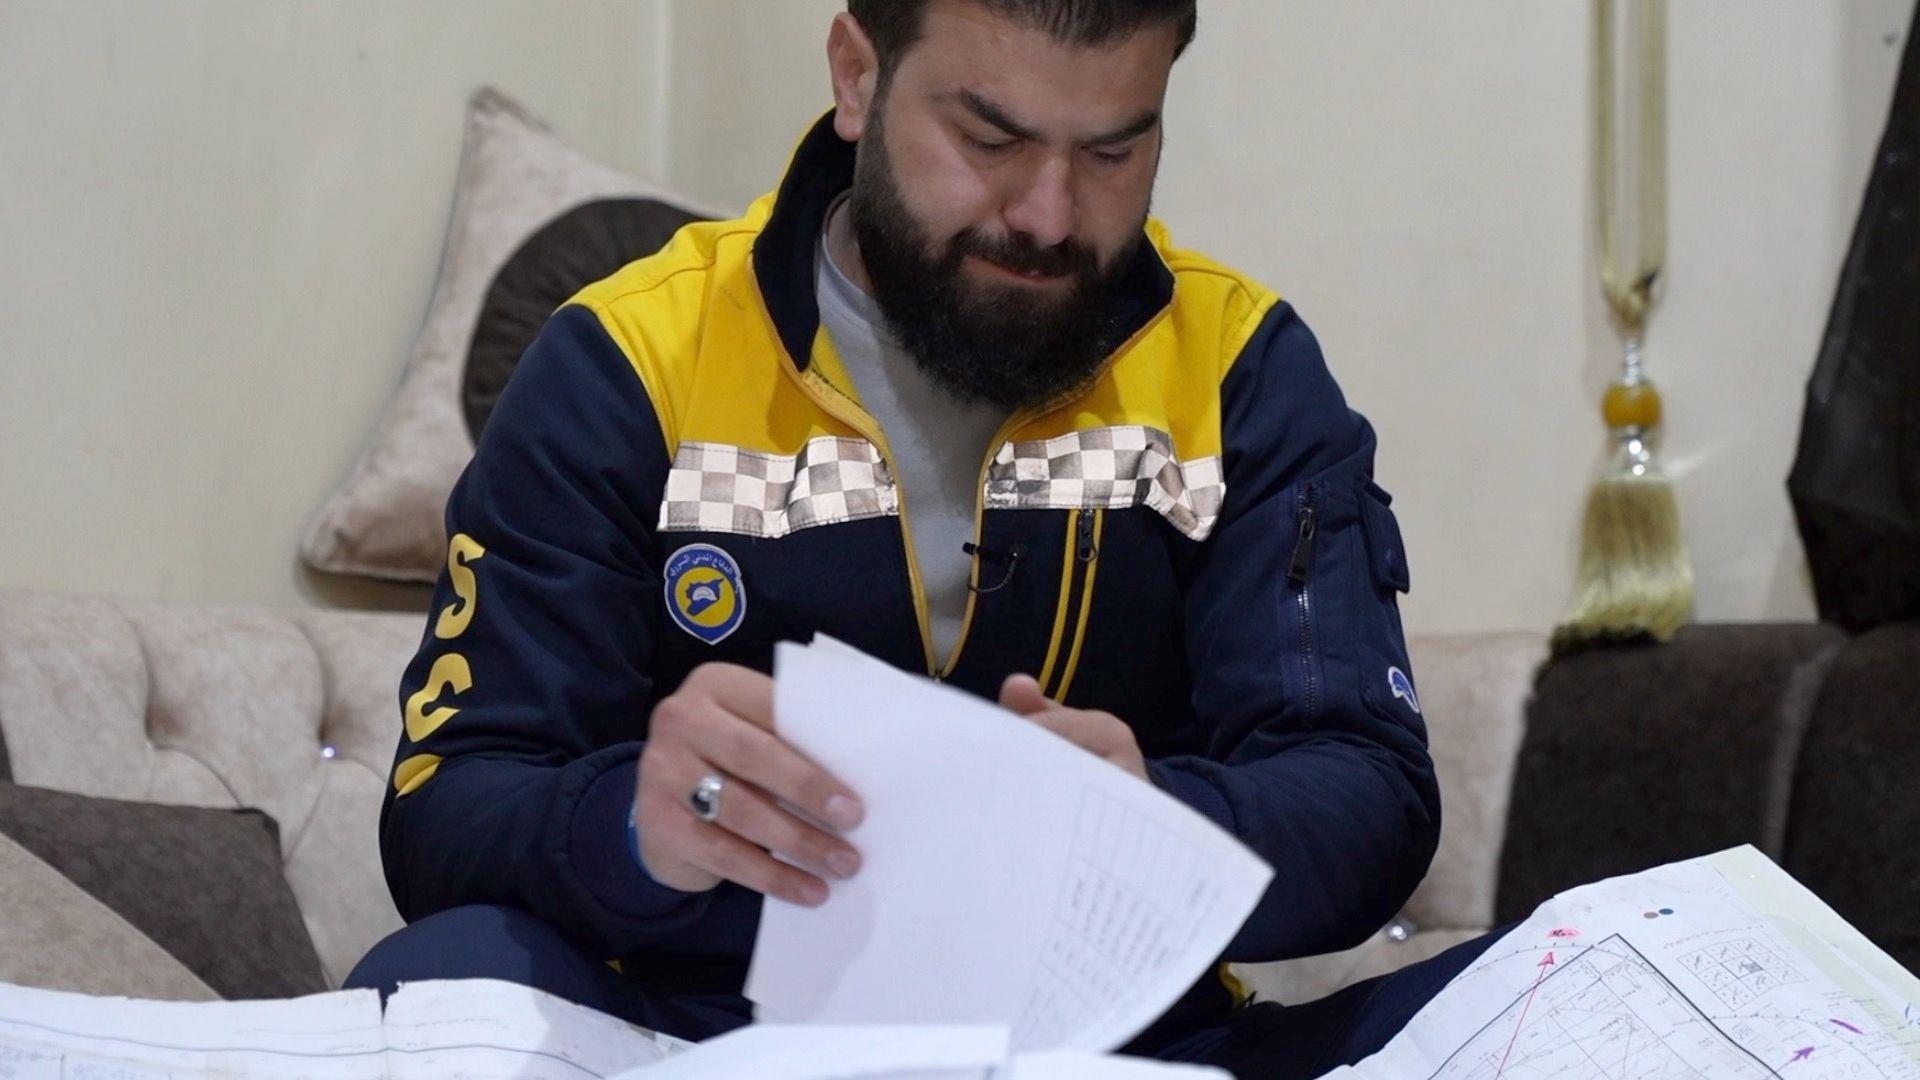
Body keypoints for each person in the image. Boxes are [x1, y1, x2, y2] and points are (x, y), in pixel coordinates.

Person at [347, 2, 1501, 1074]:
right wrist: (635, 825)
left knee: (1541, 992)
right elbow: (449, 808)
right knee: (433, 991)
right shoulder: (627, 361)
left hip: (1119, 1045)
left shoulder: (1241, 365)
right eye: (989, 138)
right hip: (698, 1034)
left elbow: (1368, 788)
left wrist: (1154, 818)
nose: (1049, 216)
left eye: (1113, 152)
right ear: (858, 76)